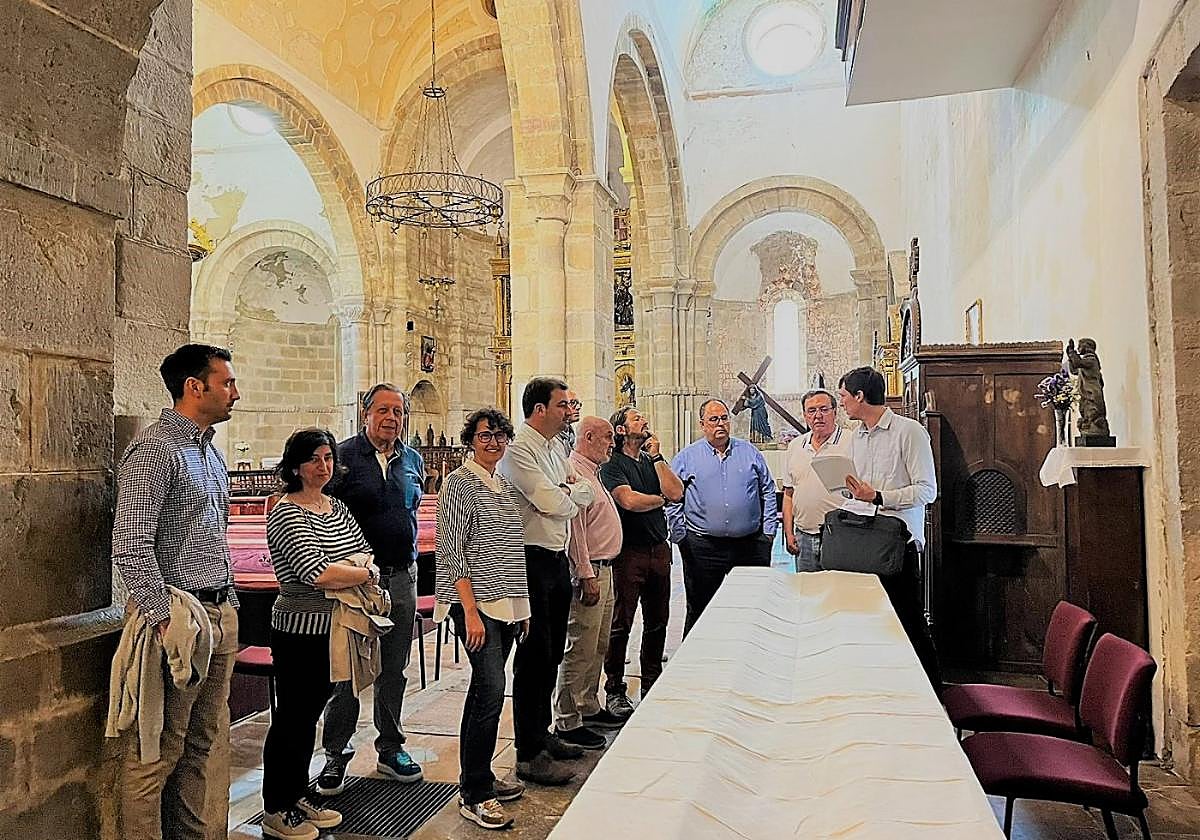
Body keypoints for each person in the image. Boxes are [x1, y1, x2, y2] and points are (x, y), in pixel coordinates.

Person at [111, 343, 241, 840]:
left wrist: (226, 606)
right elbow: (131, 545)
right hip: (179, 616)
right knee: (156, 752)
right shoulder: (156, 450)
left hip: (218, 610)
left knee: (201, 745)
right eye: (226, 383)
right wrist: (165, 619)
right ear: (194, 387)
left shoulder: (209, 452)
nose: (235, 393)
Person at [260, 429, 379, 840]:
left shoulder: (335, 505)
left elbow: (363, 551)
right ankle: (276, 808)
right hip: (299, 630)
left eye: (328, 457)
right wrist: (361, 573)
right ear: (295, 466)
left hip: (335, 628)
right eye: (313, 458)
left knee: (310, 716)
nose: (323, 466)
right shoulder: (285, 511)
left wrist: (356, 568)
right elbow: (317, 572)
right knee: (292, 718)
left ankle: (297, 796)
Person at [317, 384, 426, 794]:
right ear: (366, 413)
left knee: (393, 669)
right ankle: (335, 753)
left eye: (398, 412)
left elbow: (410, 511)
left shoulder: (412, 459)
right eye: (383, 410)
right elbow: (322, 513)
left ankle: (391, 747)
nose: (391, 418)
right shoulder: (341, 458)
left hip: (401, 576)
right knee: (348, 671)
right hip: (355, 584)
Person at [435, 408, 530, 830]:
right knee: (491, 690)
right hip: (475, 604)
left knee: (484, 692)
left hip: (506, 603)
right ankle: (475, 794)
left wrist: (522, 608)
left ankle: (480, 775)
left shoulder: (503, 485)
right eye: (485, 435)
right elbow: (452, 549)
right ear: (470, 440)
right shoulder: (460, 482)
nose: (493, 442)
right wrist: (469, 611)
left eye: (499, 435)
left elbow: (512, 549)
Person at [498, 377, 595, 786]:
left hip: (555, 559)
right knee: (534, 656)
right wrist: (566, 494)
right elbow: (551, 501)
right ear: (539, 409)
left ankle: (543, 733)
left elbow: (582, 492)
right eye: (562, 405)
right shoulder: (519, 449)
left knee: (553, 652)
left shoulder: (556, 446)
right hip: (530, 560)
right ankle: (528, 752)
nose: (569, 411)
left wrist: (567, 493)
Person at [837, 366, 941, 689]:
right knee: (868, 623)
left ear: (860, 396)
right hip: (864, 543)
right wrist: (847, 489)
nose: (841, 403)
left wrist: (880, 496)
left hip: (898, 544)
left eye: (843, 396)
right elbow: (861, 489)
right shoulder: (856, 437)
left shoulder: (908, 432)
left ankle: (931, 694)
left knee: (907, 622)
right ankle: (880, 688)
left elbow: (927, 491)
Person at [600, 406, 684, 717]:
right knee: (621, 623)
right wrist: (660, 501)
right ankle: (614, 689)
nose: (645, 420)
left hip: (658, 549)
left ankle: (652, 681)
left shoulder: (651, 461)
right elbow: (629, 500)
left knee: (658, 620)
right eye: (636, 418)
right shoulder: (612, 464)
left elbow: (677, 492)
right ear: (621, 430)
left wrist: (658, 457)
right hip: (628, 552)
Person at [668, 398, 777, 636]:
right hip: (703, 547)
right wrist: (680, 536)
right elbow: (673, 497)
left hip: (749, 545)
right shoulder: (687, 457)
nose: (721, 424)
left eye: (724, 418)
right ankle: (697, 657)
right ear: (702, 424)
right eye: (714, 419)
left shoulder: (749, 452)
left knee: (751, 609)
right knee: (700, 609)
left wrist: (768, 532)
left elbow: (768, 489)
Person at [552, 416, 622, 750]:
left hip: (605, 568)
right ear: (589, 437)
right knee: (580, 647)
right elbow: (575, 532)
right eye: (607, 437)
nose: (612, 443)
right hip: (590, 570)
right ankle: (567, 720)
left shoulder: (592, 471)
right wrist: (585, 573)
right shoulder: (574, 472)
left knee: (598, 644)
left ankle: (588, 704)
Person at [782, 389, 851, 572]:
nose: (818, 416)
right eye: (811, 411)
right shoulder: (795, 446)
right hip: (803, 536)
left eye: (824, 409)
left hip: (841, 536)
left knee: (839, 588)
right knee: (806, 588)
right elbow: (788, 494)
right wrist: (789, 532)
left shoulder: (851, 442)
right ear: (805, 416)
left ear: (835, 412)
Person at [554, 390, 582, 459]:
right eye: (572, 403)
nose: (578, 407)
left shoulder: (573, 435)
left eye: (579, 404)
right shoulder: (551, 436)